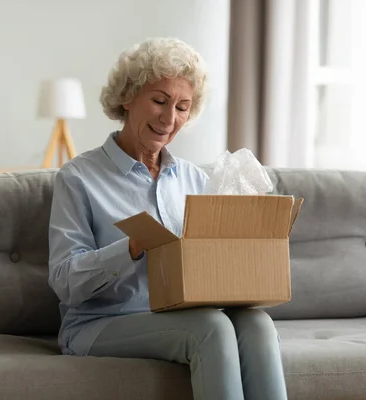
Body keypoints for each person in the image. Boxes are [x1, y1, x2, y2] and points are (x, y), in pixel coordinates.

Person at [48, 37, 288, 400]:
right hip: (100, 323)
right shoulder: (78, 177)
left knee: (256, 324)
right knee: (209, 328)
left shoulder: (195, 179)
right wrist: (128, 248)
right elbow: (64, 281)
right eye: (159, 101)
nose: (169, 118)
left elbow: (212, 272)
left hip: (182, 314)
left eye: (182, 107)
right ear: (127, 97)